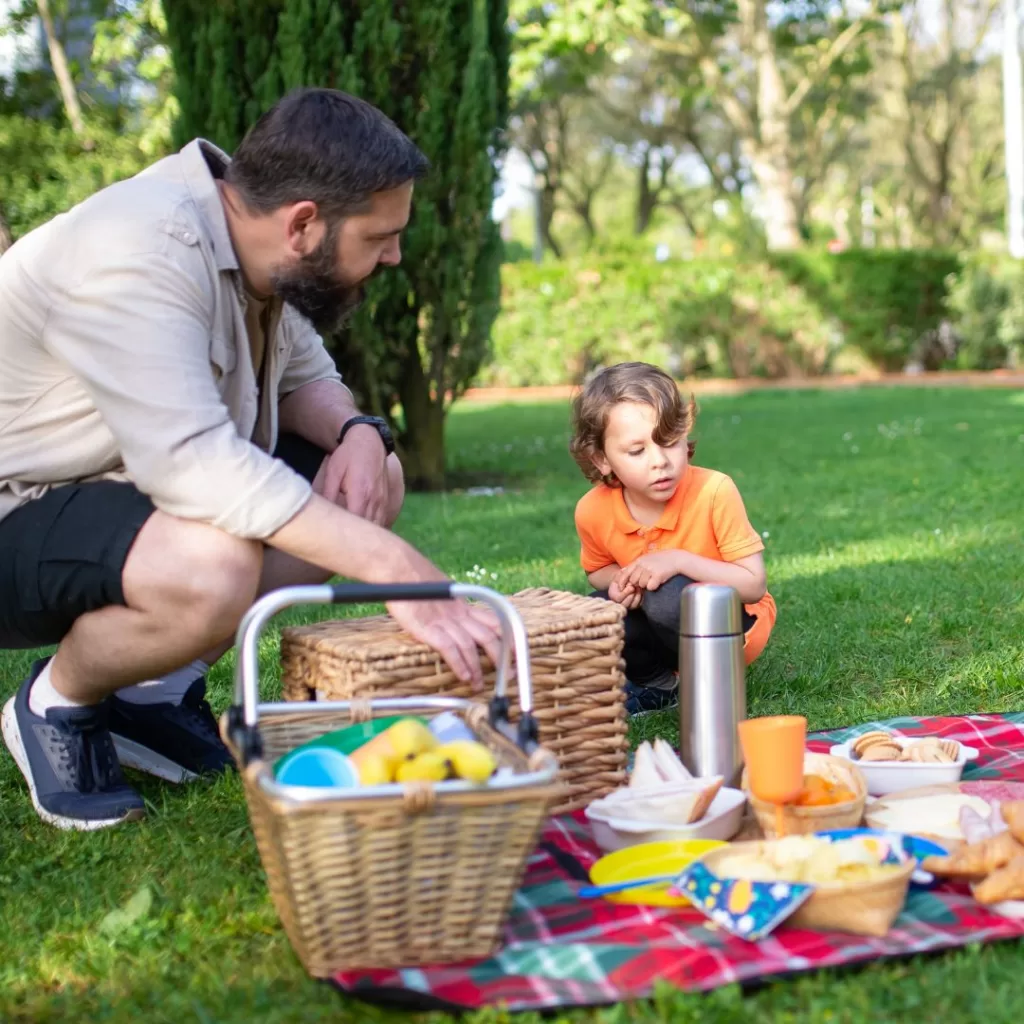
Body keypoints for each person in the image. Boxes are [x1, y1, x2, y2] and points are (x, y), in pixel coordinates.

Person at [0, 87, 500, 831]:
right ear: (304, 224)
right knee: (214, 563)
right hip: (22, 507)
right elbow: (192, 466)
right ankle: (56, 705)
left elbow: (307, 382)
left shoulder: (250, 231)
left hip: (119, 499)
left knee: (370, 479)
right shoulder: (139, 251)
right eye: (380, 235)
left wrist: (362, 431)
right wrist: (395, 567)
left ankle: (154, 695)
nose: (395, 254)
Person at [569, 362, 776, 715]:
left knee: (667, 594)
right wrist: (626, 580)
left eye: (669, 442)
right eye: (637, 452)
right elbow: (597, 571)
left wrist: (677, 561)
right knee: (598, 612)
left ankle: (711, 686)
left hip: (732, 625)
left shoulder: (714, 490)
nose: (659, 461)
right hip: (660, 622)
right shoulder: (592, 510)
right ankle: (659, 684)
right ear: (602, 459)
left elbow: (753, 585)